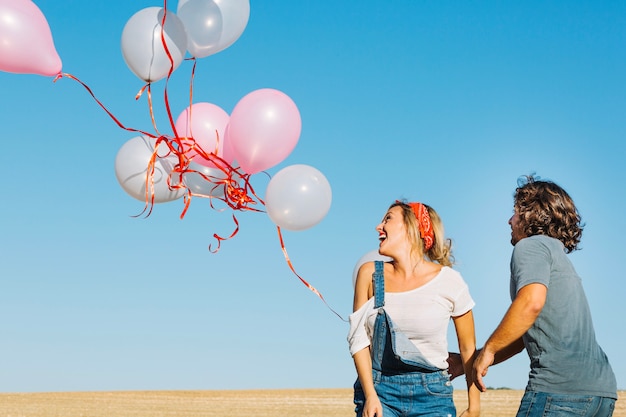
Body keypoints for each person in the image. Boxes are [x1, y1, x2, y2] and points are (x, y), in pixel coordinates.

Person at [472, 175, 617, 416]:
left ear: (531, 215)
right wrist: (474, 359)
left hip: (558, 392)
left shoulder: (530, 246)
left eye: (516, 213)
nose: (509, 220)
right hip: (600, 394)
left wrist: (488, 349)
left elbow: (531, 303)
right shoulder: (555, 252)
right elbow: (521, 335)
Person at [348, 200, 481, 417]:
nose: (378, 227)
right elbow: (358, 340)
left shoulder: (450, 281)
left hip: (433, 396)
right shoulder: (370, 274)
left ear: (412, 227)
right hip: (380, 392)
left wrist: (474, 407)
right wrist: (370, 395)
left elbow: (468, 348)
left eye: (388, 219)